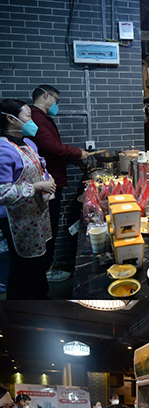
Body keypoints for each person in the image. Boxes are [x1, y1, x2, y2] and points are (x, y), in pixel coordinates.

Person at [28, 85, 88, 283]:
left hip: (52, 179)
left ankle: (46, 267)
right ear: (46, 95)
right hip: (47, 182)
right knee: (49, 226)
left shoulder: (42, 118)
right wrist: (77, 153)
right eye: (56, 99)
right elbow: (51, 146)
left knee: (51, 224)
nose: (56, 104)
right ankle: (46, 270)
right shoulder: (36, 118)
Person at [0, 99, 55, 299]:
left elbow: (40, 168)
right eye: (28, 116)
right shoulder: (3, 149)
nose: (32, 121)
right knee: (22, 268)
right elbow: (2, 193)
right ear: (11, 119)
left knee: (38, 264)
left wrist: (48, 180)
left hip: (37, 215)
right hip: (18, 219)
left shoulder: (29, 143)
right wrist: (37, 187)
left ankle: (41, 298)